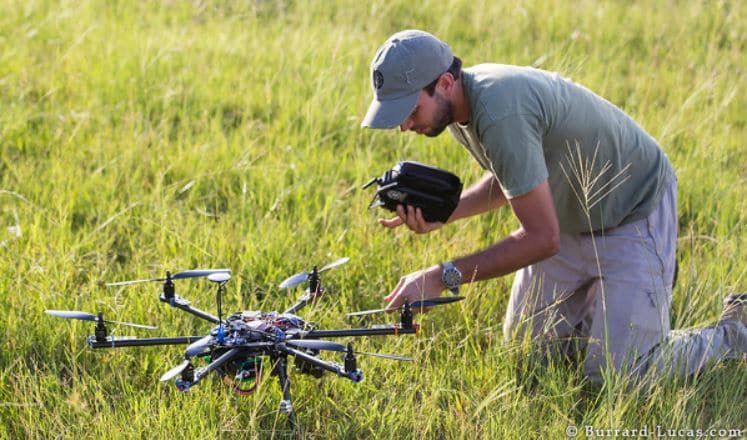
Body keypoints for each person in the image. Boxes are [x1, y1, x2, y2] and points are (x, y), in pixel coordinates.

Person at [361, 29, 746, 383]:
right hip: (570, 220)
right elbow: (516, 176)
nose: (404, 125)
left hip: (632, 213)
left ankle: (732, 331)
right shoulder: (460, 109)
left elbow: (542, 240)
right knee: (528, 355)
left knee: (618, 379)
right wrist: (447, 213)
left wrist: (440, 277)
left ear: (444, 83)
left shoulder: (499, 110)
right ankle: (610, 315)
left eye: (409, 110)